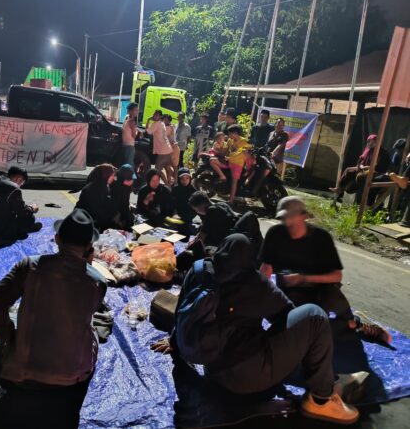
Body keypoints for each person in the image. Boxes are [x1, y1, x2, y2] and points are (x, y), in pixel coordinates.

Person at [152, 234, 360, 425]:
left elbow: (182, 312)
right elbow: (288, 316)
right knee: (314, 316)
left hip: (212, 370)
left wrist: (175, 342)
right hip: (250, 379)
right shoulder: (254, 281)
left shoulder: (198, 270)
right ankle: (322, 400)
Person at [0, 209, 107, 429]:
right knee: (93, 332)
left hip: (24, 373)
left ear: (57, 239)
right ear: (89, 247)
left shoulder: (29, 266)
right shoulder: (97, 281)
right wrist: (87, 266)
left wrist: (8, 338)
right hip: (72, 376)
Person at [259, 196, 392, 344]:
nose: (287, 223)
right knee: (294, 329)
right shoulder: (275, 233)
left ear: (304, 216)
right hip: (288, 296)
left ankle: (354, 323)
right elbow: (266, 268)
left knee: (331, 302)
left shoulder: (321, 238)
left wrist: (303, 278)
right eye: (284, 219)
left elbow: (336, 276)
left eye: (291, 218)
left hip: (320, 294)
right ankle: (331, 326)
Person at [75, 163, 117, 231]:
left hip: (89, 217)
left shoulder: (102, 185)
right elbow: (96, 211)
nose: (114, 178)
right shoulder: (94, 188)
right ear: (106, 175)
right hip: (84, 220)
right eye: (112, 175)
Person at [226, 124, 253, 204]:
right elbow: (227, 150)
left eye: (230, 133)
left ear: (235, 133)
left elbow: (249, 153)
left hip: (237, 165)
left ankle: (231, 201)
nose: (229, 135)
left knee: (234, 182)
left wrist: (246, 152)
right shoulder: (230, 140)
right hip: (228, 162)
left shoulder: (244, 141)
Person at [146, 110, 173, 185]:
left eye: (156, 115)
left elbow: (148, 131)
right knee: (167, 168)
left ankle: (167, 185)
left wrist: (148, 120)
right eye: (154, 114)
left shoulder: (157, 123)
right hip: (168, 149)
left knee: (157, 169)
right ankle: (172, 183)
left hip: (163, 151)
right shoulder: (162, 123)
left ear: (160, 116)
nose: (154, 116)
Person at [109, 164, 136, 230]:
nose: (132, 181)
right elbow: (115, 205)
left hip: (124, 212)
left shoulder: (127, 187)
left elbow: (125, 203)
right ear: (123, 179)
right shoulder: (114, 187)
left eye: (132, 179)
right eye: (129, 180)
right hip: (114, 214)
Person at [122, 102, 139, 166]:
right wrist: (138, 133)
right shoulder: (132, 121)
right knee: (129, 165)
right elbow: (134, 135)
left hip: (124, 144)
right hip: (130, 145)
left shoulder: (126, 118)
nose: (137, 112)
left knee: (125, 164)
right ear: (131, 111)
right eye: (136, 110)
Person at [164, 114, 179, 185]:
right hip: (169, 148)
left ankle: (174, 182)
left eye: (166, 119)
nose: (164, 120)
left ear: (169, 120)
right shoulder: (170, 126)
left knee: (173, 166)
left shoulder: (169, 127)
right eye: (164, 119)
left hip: (173, 148)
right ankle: (171, 181)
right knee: (168, 166)